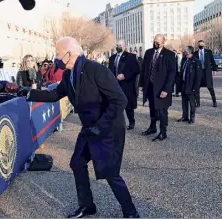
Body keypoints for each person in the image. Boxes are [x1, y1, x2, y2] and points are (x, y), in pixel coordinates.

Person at [26, 37, 139, 218]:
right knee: (77, 163)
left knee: (110, 172)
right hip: (88, 129)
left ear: (68, 54)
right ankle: (87, 206)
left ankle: (131, 212)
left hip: (107, 129)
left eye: (57, 53)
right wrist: (29, 93)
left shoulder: (96, 70)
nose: (55, 57)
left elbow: (120, 100)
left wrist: (101, 126)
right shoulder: (68, 74)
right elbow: (56, 94)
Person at [139, 34, 175, 141]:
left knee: (162, 110)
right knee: (152, 108)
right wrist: (142, 84)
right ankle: (152, 127)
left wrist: (166, 90)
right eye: (154, 41)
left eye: (158, 42)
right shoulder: (149, 52)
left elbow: (172, 74)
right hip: (150, 86)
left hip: (162, 88)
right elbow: (144, 69)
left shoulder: (169, 55)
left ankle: (163, 132)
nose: (156, 43)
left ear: (163, 42)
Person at [108, 40, 140, 130]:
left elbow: (136, 70)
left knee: (128, 105)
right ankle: (117, 123)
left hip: (127, 85)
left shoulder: (130, 57)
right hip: (115, 85)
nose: (119, 47)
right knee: (116, 104)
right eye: (117, 45)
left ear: (125, 46)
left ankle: (131, 122)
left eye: (121, 45)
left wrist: (125, 75)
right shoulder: (112, 58)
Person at [177, 46, 202, 124]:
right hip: (184, 84)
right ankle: (185, 116)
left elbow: (198, 77)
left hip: (191, 85)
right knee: (184, 102)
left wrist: (195, 88)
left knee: (192, 103)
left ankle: (192, 117)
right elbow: (181, 72)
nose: (184, 51)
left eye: (186, 50)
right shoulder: (184, 60)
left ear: (190, 52)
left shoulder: (196, 61)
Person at [193, 40, 218, 107]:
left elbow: (212, 61)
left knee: (210, 88)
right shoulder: (195, 53)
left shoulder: (209, 52)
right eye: (199, 44)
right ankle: (198, 103)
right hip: (198, 73)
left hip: (207, 72)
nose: (201, 45)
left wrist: (214, 70)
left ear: (204, 45)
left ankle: (214, 102)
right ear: (198, 45)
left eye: (202, 44)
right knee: (197, 88)